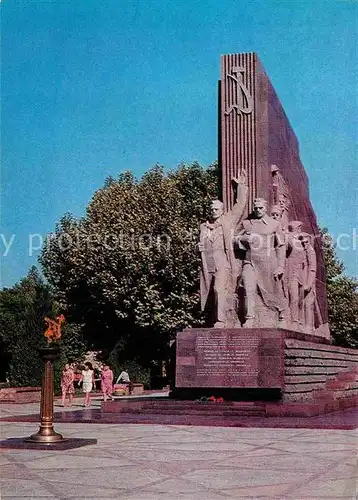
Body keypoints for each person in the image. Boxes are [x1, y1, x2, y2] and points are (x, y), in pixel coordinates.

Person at [197, 170, 248, 327]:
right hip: (208, 265)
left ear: (222, 210)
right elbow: (201, 246)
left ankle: (221, 320)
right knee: (210, 293)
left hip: (223, 263)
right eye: (212, 209)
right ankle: (213, 317)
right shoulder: (203, 226)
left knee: (219, 289)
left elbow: (239, 206)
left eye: (216, 209)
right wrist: (196, 248)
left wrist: (240, 186)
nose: (213, 212)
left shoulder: (227, 221)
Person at [236, 197, 286, 327]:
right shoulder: (247, 224)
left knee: (275, 291)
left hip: (268, 263)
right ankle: (250, 318)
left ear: (266, 208)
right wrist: (243, 239)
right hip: (250, 261)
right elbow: (233, 240)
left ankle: (282, 316)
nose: (258, 210)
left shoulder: (274, 224)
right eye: (256, 208)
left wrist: (281, 266)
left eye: (261, 208)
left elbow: (280, 246)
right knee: (248, 288)